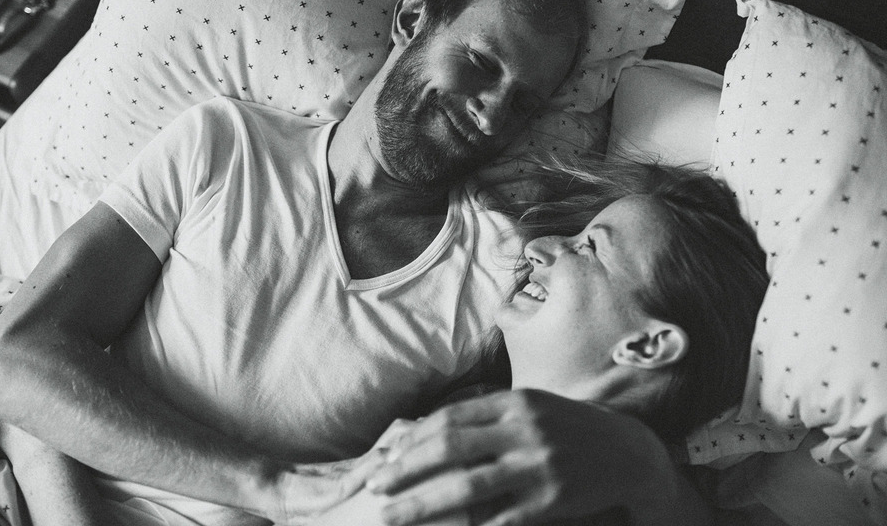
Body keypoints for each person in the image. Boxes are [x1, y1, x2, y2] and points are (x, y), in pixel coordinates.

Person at [0, 0, 719, 526]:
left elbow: (577, 427)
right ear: (413, 18)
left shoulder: (497, 273)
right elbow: (13, 365)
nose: (492, 114)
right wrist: (276, 488)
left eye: (521, 103)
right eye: (482, 65)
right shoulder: (226, 144)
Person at [307, 158, 769, 525]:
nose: (539, 246)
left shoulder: (555, 496)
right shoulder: (471, 401)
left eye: (589, 248)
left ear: (646, 347)